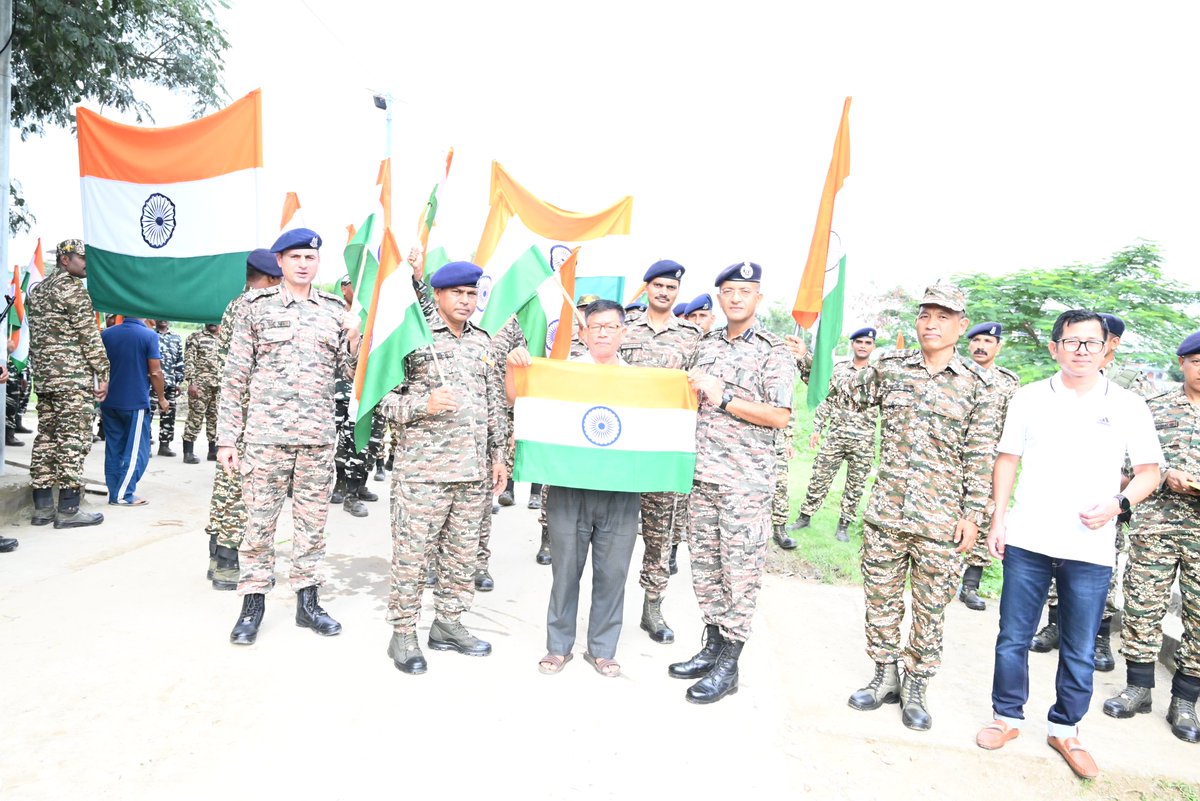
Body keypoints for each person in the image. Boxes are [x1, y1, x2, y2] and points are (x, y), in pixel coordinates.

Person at [977, 309, 1162, 780]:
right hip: (1028, 537)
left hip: (1090, 546)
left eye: (1091, 342)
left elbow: (1149, 472)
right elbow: (1007, 458)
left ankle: (1067, 727)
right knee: (1013, 636)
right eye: (1071, 341)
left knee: (1079, 645)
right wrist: (999, 518)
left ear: (1106, 349)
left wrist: (1117, 504)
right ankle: (1007, 717)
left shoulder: (1128, 405)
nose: (1081, 350)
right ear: (1054, 348)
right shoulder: (1028, 398)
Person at [844, 284, 1000, 731]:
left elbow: (980, 455)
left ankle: (917, 684)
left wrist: (973, 516)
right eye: (925, 315)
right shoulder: (892, 369)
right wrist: (806, 362)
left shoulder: (979, 385)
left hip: (942, 521)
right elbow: (845, 395)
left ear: (961, 325)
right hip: (887, 514)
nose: (931, 324)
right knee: (881, 599)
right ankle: (884, 675)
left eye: (943, 316)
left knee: (931, 607)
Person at [216, 228, 359, 646]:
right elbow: (235, 377)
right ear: (279, 262)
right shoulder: (254, 309)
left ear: (318, 264)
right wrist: (228, 439)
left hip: (315, 438)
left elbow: (350, 376)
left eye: (309, 258)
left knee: (312, 525)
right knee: (258, 524)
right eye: (294, 257)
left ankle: (308, 602)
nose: (302, 264)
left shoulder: (334, 311)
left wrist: (354, 340)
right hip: (265, 438)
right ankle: (253, 604)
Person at [669, 261, 795, 704]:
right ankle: (713, 644)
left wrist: (726, 398)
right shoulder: (705, 347)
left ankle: (731, 663)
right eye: (728, 291)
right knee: (706, 570)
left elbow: (780, 415)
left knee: (739, 574)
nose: (736, 298)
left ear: (758, 298)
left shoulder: (773, 351)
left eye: (745, 291)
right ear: (719, 298)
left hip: (744, 484)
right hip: (701, 477)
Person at [507, 299, 645, 678]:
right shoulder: (561, 375)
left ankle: (602, 649)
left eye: (610, 326)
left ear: (623, 332)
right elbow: (519, 400)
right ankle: (558, 646)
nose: (602, 332)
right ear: (583, 333)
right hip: (570, 488)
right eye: (595, 326)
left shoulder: (642, 383)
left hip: (620, 491)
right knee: (565, 570)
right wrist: (514, 367)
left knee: (613, 572)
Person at [381, 261, 506, 675]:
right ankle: (402, 633)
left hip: (472, 474)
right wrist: (424, 404)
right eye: (457, 293)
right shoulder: (413, 338)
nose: (466, 301)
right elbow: (382, 401)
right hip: (424, 474)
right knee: (413, 557)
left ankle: (448, 624)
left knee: (461, 556)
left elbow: (493, 405)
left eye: (472, 294)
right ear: (438, 295)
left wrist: (499, 456)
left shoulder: (484, 343)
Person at [1030, 312, 1156, 668]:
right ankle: (1055, 625)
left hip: (1113, 493)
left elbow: (1145, 447)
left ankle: (1099, 638)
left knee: (1102, 567)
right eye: (1077, 341)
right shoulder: (1063, 381)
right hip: (1065, 490)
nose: (1086, 348)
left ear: (1111, 343)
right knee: (1055, 555)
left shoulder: (1132, 386)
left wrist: (1122, 486)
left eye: (1099, 340)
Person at [1103, 330, 1200, 744]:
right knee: (1142, 606)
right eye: (1195, 360)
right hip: (1155, 526)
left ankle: (1185, 700)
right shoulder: (1154, 409)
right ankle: (1138, 687)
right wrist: (1164, 474)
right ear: (1181, 363)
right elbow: (1127, 465)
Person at [618, 260, 701, 645]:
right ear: (646, 287)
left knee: (660, 533)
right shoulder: (625, 328)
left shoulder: (691, 337)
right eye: (658, 286)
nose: (664, 292)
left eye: (671, 287)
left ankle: (653, 606)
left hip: (664, 452)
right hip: (622, 448)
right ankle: (608, 605)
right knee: (611, 533)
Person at [205, 249, 282, 590]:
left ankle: (216, 555)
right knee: (243, 490)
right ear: (268, 279)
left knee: (227, 484)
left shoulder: (235, 305)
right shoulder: (257, 308)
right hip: (252, 415)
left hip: (236, 411)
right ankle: (228, 564)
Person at [25, 239, 109, 528]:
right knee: (73, 440)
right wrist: (103, 371)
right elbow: (89, 335)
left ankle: (43, 507)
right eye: (82, 258)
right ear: (64, 259)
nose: (87, 263)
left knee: (46, 438)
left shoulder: (36, 292)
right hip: (72, 379)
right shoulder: (72, 289)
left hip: (46, 379)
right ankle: (69, 509)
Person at [786, 327, 880, 544]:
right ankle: (804, 517)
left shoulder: (876, 374)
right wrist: (818, 428)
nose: (863, 346)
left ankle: (844, 525)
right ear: (852, 344)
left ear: (872, 347)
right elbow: (825, 398)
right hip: (836, 435)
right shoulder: (839, 369)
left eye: (867, 343)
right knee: (819, 478)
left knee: (855, 486)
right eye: (859, 342)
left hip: (863, 441)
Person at [958, 321, 1021, 611]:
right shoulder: (955, 371)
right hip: (954, 455)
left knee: (986, 517)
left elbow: (1013, 427)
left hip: (990, 462)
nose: (980, 346)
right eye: (976, 340)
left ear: (999, 346)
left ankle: (970, 585)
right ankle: (938, 576)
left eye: (988, 341)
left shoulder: (1009, 382)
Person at [99, 317, 168, 505]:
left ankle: (115, 492)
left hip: (109, 400)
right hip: (134, 401)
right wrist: (161, 398)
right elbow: (155, 372)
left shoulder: (106, 334)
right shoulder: (149, 336)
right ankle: (124, 495)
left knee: (114, 448)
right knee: (138, 451)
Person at [330, 274, 376, 518]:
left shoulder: (373, 314)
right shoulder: (335, 312)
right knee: (336, 440)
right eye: (350, 285)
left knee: (364, 442)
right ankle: (339, 484)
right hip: (338, 389)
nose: (355, 290)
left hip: (365, 390)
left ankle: (355, 490)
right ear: (343, 288)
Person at [182, 322, 221, 464]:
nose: (212, 323)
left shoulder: (224, 338)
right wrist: (191, 382)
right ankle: (188, 452)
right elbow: (189, 359)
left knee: (215, 418)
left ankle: (213, 451)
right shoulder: (195, 337)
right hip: (200, 385)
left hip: (218, 385)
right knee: (195, 417)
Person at [152, 319, 184, 456]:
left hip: (170, 382)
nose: (163, 320)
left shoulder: (176, 338)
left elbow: (179, 361)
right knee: (148, 411)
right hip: (151, 381)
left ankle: (164, 445)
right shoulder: (150, 335)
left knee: (169, 414)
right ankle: (145, 443)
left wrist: (178, 382)